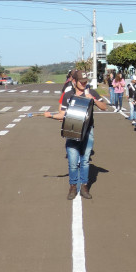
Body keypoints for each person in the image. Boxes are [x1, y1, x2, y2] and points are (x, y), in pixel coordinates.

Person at [45, 70, 107, 200]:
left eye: (86, 82)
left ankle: (84, 186)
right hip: (71, 130)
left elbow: (104, 107)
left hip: (88, 131)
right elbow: (62, 114)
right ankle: (73, 187)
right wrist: (50, 115)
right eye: (81, 82)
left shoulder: (92, 93)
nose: (84, 84)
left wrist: (93, 100)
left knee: (85, 161)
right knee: (73, 162)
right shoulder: (68, 95)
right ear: (74, 81)